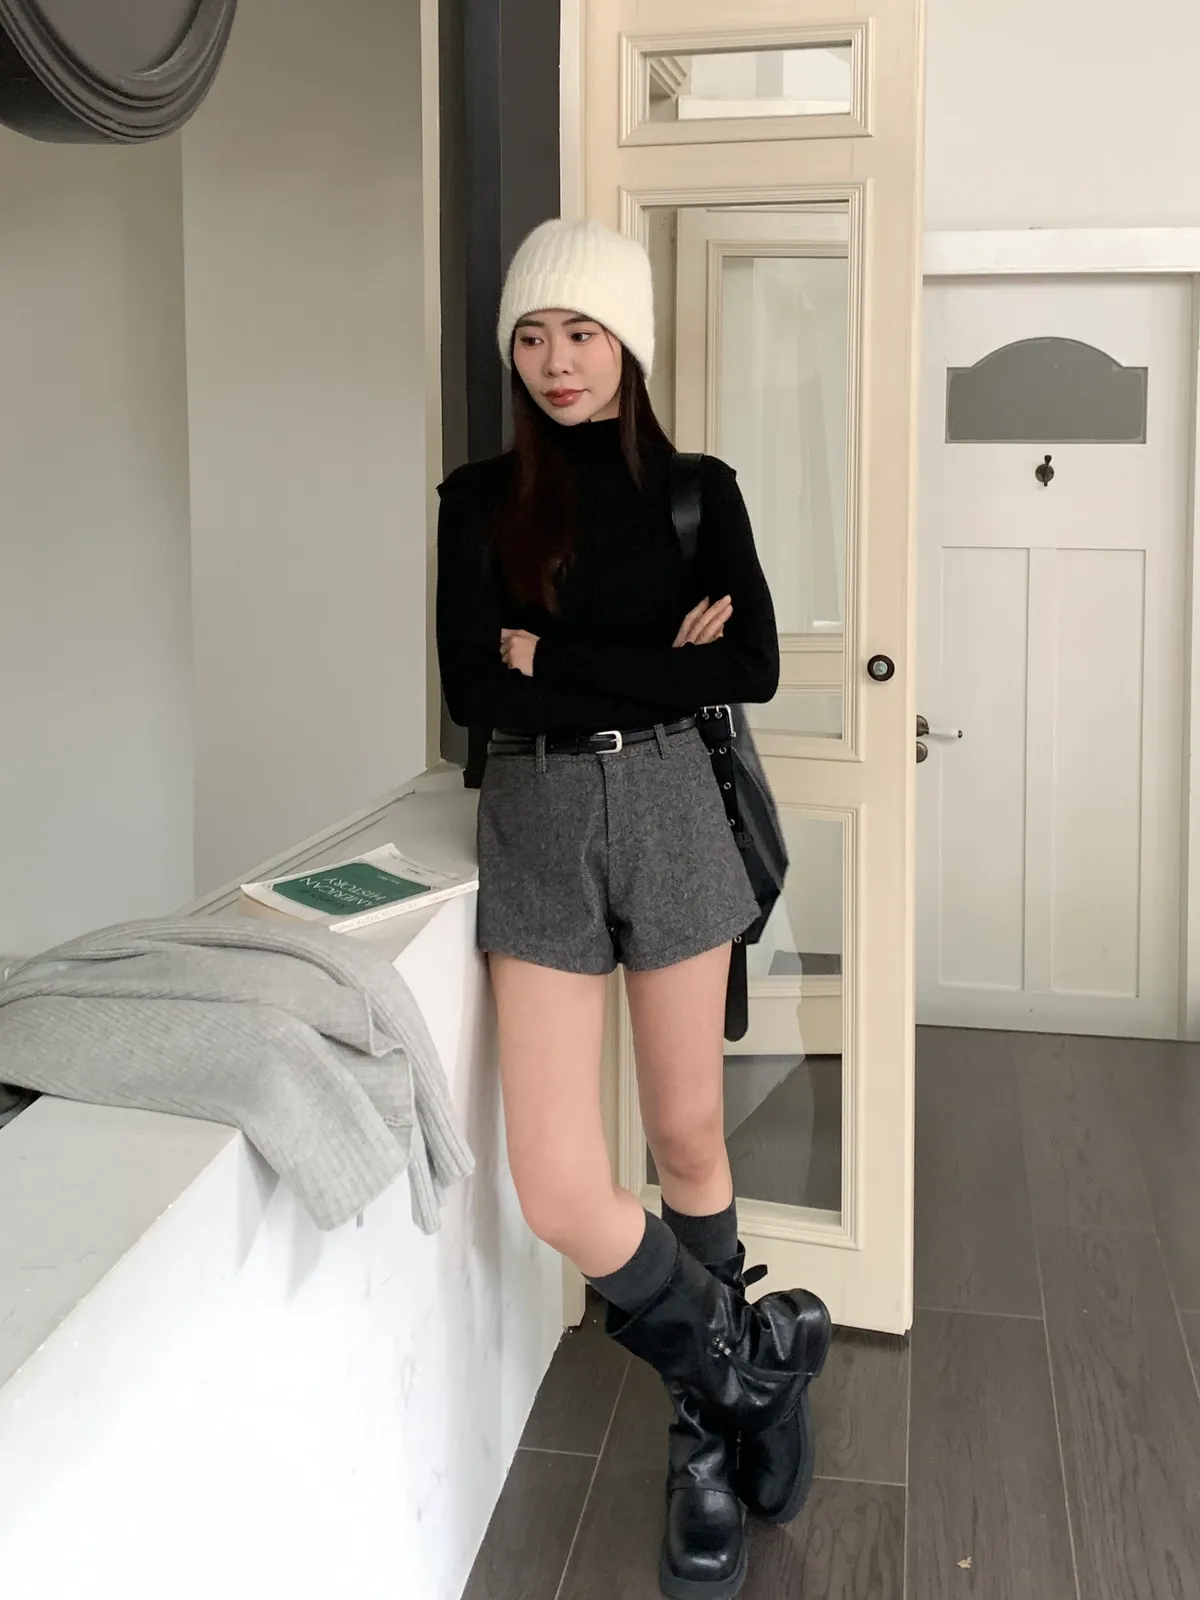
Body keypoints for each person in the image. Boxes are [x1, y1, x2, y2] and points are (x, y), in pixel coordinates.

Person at [436, 217, 830, 1600]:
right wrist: (651, 660)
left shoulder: (698, 494)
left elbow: (753, 667)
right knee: (558, 1182)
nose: (556, 360)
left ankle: (700, 1440)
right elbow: (473, 692)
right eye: (533, 336)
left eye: (582, 332)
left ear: (629, 345)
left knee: (684, 1135)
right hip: (537, 823)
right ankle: (747, 1369)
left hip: (671, 807)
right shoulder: (478, 501)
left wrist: (557, 656)